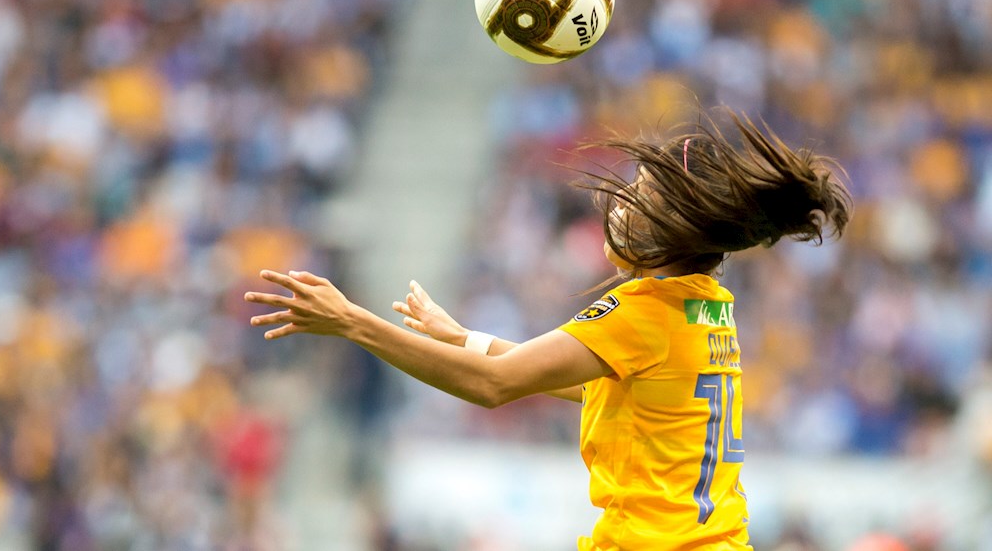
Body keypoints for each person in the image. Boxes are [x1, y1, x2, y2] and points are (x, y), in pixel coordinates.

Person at [245, 111, 851, 551]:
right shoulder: (708, 305)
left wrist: (353, 322)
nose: (616, 209)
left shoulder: (645, 310)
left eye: (636, 199)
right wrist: (464, 340)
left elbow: (494, 387)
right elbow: (601, 388)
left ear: (676, 229)